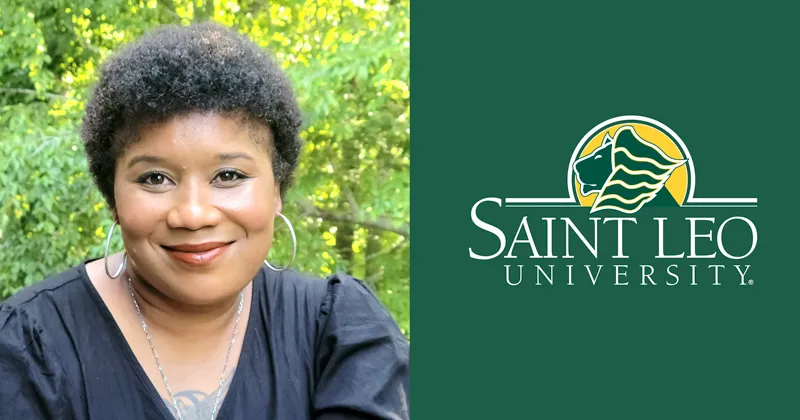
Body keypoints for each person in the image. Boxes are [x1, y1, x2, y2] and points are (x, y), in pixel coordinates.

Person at [0, 22, 409, 420]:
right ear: (113, 198)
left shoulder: (340, 335)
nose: (194, 214)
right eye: (155, 179)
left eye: (228, 176)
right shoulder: (28, 349)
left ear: (277, 188)